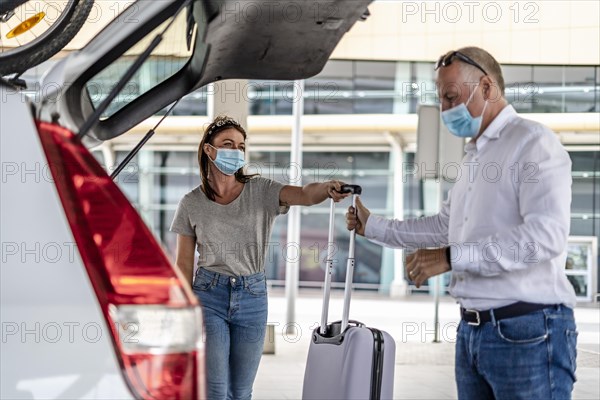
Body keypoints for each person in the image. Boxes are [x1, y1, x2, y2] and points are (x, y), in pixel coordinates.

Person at [346, 47, 578, 399]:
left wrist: (453, 257)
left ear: (487, 87)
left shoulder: (533, 143)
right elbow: (444, 226)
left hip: (528, 333)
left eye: (451, 97)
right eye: (441, 100)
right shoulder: (475, 158)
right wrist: (373, 226)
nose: (444, 110)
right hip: (473, 332)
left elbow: (544, 237)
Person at [171, 115, 348, 400]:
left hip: (251, 297)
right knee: (215, 390)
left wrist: (326, 188)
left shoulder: (262, 190)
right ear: (208, 149)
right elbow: (183, 264)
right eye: (228, 144)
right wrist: (180, 310)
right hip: (208, 296)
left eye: (241, 146)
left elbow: (303, 193)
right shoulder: (191, 203)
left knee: (240, 392)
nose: (236, 151)